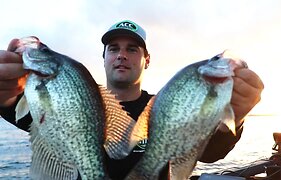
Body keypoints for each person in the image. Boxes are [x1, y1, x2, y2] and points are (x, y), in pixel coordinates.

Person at [0, 20, 264, 179]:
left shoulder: (165, 109)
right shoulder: (71, 100)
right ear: (104, 57)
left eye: (132, 49)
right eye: (113, 49)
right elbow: (16, 108)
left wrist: (236, 116)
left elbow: (209, 151)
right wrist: (6, 92)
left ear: (146, 59)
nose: (121, 55)